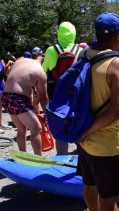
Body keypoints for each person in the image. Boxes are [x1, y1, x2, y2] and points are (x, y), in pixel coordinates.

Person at [77, 12, 119, 211]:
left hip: (83, 141)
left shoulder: (84, 55)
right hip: (108, 145)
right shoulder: (118, 64)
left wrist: (82, 132)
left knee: (89, 185)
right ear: (118, 34)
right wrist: (88, 131)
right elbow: (114, 112)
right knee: (108, 198)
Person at [42, 21, 82, 155]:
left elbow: (43, 71)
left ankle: (62, 157)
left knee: (59, 127)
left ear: (59, 33)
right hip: (75, 95)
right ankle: (80, 155)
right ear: (74, 34)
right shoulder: (81, 51)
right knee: (77, 124)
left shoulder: (51, 50)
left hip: (56, 95)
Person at [1, 57, 48, 155]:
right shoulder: (40, 72)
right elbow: (43, 97)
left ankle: (23, 156)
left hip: (6, 96)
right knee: (36, 128)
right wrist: (48, 114)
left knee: (21, 129)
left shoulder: (21, 61)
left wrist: (33, 109)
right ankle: (38, 159)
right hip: (17, 98)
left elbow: (26, 89)